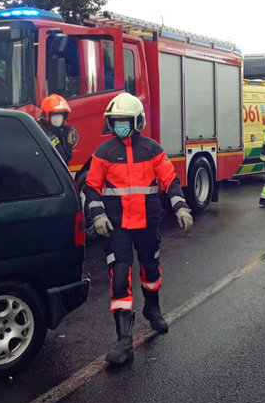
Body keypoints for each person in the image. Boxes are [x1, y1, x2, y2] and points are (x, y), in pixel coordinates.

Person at [83, 92, 194, 365]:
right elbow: (91, 187)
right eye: (115, 121)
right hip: (116, 226)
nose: (118, 125)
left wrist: (180, 207)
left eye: (123, 120)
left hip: (147, 223)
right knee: (119, 277)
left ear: (137, 121)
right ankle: (123, 341)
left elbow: (171, 180)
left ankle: (152, 310)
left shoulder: (152, 149)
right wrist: (97, 215)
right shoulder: (103, 153)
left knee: (151, 271)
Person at [36, 94, 78, 164]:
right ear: (46, 116)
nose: (58, 119)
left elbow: (67, 157)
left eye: (61, 116)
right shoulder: (42, 134)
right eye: (55, 116)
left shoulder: (66, 132)